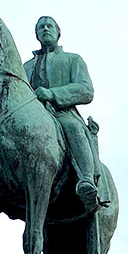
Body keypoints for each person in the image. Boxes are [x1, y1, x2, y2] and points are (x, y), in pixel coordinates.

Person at [25, 16, 104, 213]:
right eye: (40, 27)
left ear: (58, 32)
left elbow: (86, 90)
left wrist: (52, 94)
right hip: (30, 117)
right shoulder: (26, 66)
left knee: (73, 127)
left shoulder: (72, 59)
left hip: (62, 113)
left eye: (49, 26)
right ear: (36, 34)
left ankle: (86, 180)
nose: (45, 29)